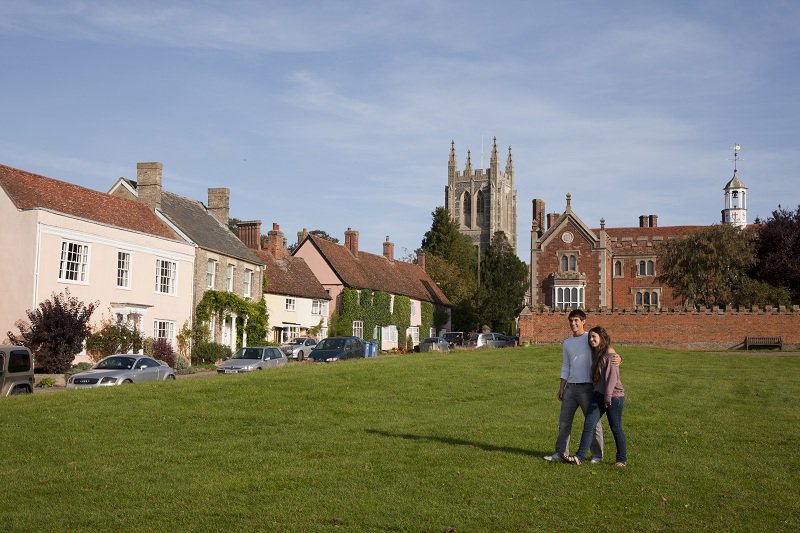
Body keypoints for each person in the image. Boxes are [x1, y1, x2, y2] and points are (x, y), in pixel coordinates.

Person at [543, 309, 604, 463]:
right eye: (571, 321)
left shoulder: (589, 338)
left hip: (588, 388)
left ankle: (597, 455)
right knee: (564, 423)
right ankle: (560, 453)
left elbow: (605, 351)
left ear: (583, 321)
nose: (573, 323)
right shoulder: (567, 343)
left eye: (576, 320)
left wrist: (619, 358)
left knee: (593, 422)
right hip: (571, 388)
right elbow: (566, 366)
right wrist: (562, 388)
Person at [567, 325, 627, 467]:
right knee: (589, 424)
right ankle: (579, 457)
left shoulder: (610, 353)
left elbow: (612, 378)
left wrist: (607, 397)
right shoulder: (596, 352)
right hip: (598, 395)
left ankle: (621, 459)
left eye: (594, 337)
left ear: (602, 337)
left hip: (613, 397)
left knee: (616, 427)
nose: (591, 339)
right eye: (590, 337)